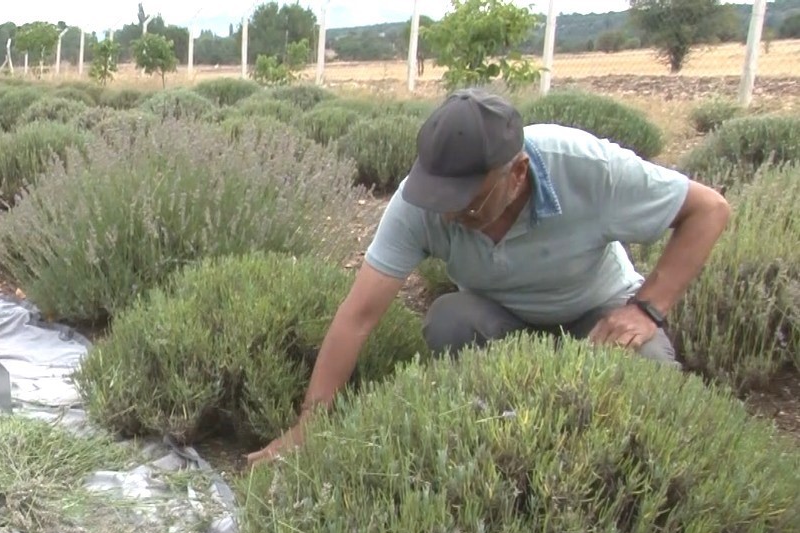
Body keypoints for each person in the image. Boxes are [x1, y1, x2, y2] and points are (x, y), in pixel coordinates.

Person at [246, 88, 732, 467]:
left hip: (595, 317)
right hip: (503, 320)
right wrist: (310, 425)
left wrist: (647, 308)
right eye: (441, 198)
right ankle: (500, 435)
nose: (451, 214)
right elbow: (357, 317)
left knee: (645, 363)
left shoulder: (586, 167)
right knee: (449, 320)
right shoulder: (419, 202)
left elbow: (708, 210)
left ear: (517, 173)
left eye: (468, 202)